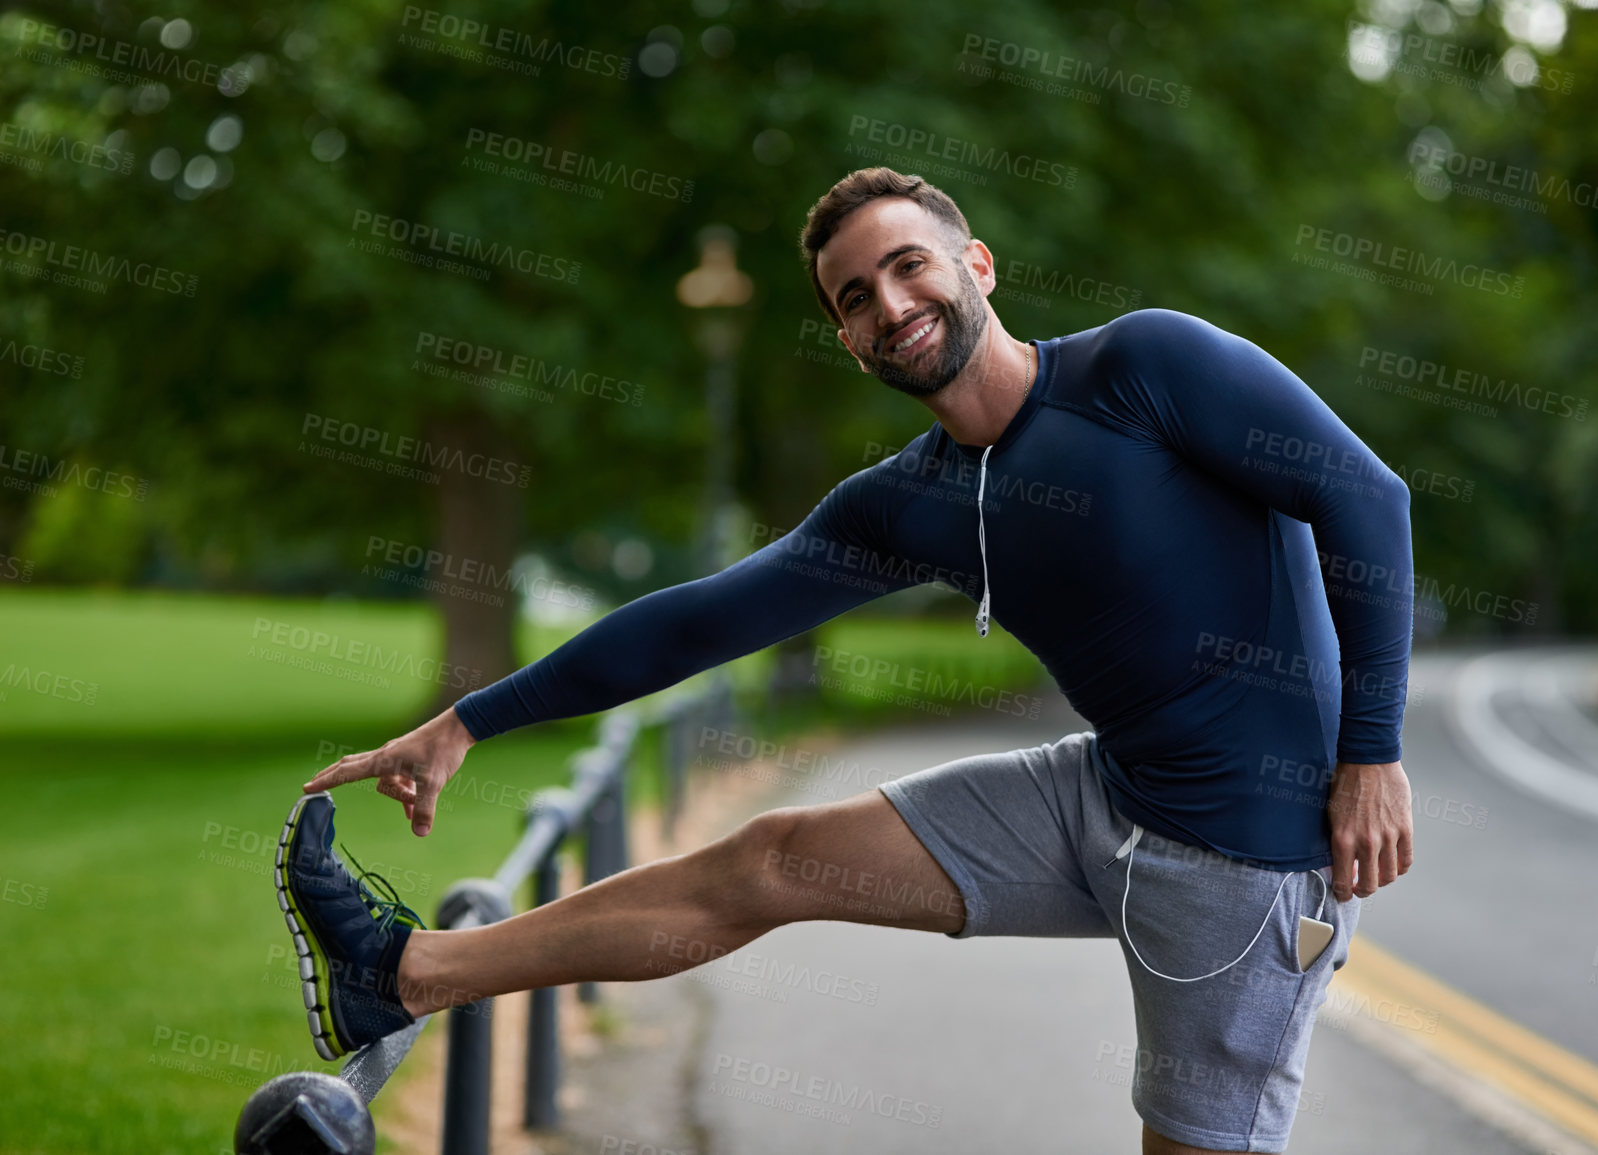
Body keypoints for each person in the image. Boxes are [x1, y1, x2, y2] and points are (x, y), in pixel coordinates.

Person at [278, 166, 1415, 1155]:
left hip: (1244, 870)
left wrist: (1371, 756)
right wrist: (467, 721)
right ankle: (406, 975)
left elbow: (1366, 499)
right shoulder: (904, 504)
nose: (893, 307)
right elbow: (692, 623)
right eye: (856, 299)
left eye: (910, 268)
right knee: (773, 856)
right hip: (1103, 795)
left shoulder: (1147, 367)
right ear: (844, 337)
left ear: (976, 263)